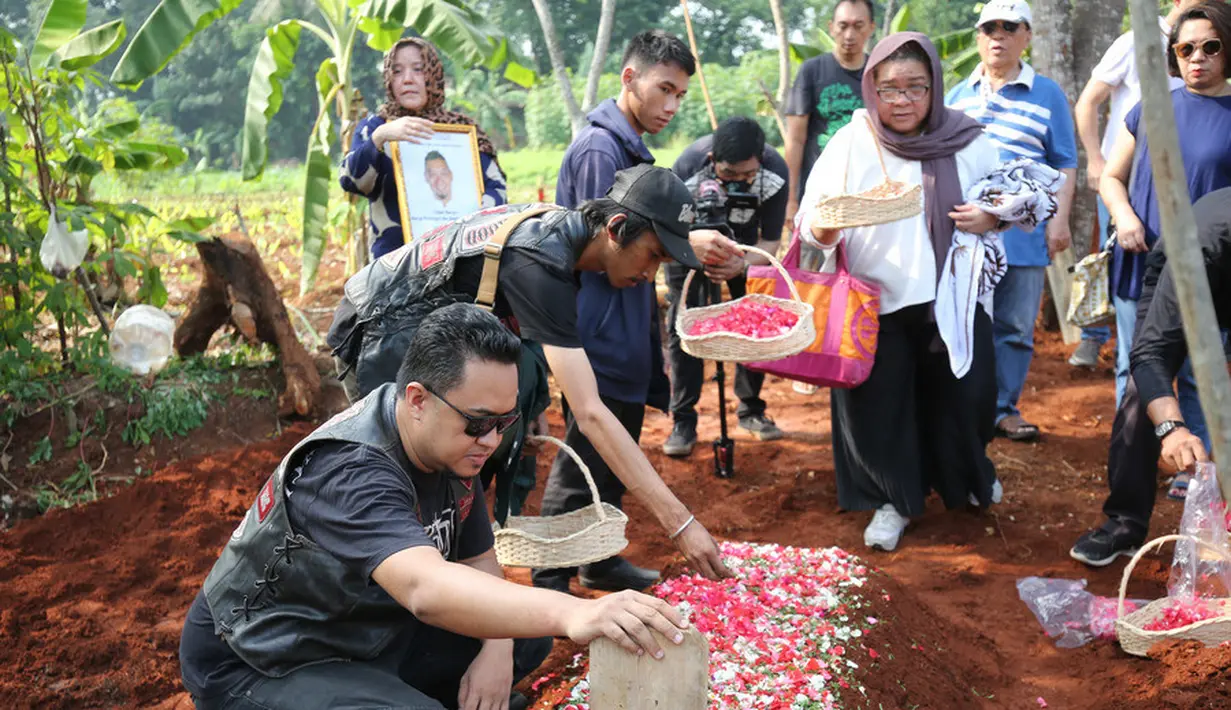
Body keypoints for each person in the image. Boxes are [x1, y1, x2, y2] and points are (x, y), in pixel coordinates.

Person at [179, 304, 695, 710]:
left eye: (505, 422)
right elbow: (426, 589)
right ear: (419, 399)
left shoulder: (448, 447)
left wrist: (496, 649)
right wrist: (579, 610)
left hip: (362, 625)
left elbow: (476, 560)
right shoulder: (351, 470)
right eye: (478, 422)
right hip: (268, 656)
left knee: (522, 642)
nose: (490, 440)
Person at [327, 165, 739, 583]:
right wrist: (681, 524)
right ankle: (391, 595)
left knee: (457, 473)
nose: (650, 275)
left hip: (429, 330)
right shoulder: (542, 256)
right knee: (410, 473)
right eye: (653, 254)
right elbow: (590, 413)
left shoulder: (565, 238)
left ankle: (447, 590)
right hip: (379, 329)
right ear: (616, 228)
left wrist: (530, 401)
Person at [541, 30, 738, 594]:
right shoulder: (601, 150)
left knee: (615, 446)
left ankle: (599, 559)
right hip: (595, 326)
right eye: (664, 90)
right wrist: (688, 246)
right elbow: (614, 244)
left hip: (622, 322)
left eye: (681, 95)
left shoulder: (627, 146)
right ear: (630, 79)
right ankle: (550, 577)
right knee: (588, 451)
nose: (672, 107)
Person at [796, 33, 1004, 552]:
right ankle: (893, 501)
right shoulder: (853, 141)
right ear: (871, 89)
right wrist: (823, 228)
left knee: (966, 400)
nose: (903, 101)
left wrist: (990, 216)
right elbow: (811, 220)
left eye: (916, 88)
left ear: (935, 88)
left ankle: (967, 478)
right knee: (881, 408)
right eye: (889, 89)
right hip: (875, 302)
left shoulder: (970, 139)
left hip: (955, 300)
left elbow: (1009, 199)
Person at [1097, 0, 1231, 500]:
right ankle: (1133, 480)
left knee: (1199, 372)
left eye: (1211, 46)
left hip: (1205, 274)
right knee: (1137, 374)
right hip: (1141, 259)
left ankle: (1192, 472)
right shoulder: (1152, 106)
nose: (1198, 57)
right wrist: (1125, 217)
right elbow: (1112, 176)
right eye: (1187, 48)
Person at [1070, 187, 1231, 567]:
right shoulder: (1200, 246)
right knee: (1141, 393)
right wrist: (1172, 429)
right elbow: (1152, 353)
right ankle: (1125, 521)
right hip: (1188, 273)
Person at [946, 0, 1078, 442]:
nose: (997, 36)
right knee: (963, 319)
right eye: (989, 28)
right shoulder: (956, 97)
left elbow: (1064, 163)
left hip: (1023, 232)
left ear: (1027, 36)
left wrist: (1058, 222)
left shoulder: (1048, 94)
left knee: (1017, 327)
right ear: (978, 38)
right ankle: (965, 407)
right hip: (967, 231)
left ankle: (1003, 409)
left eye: (1009, 27)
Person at [1067, 0, 1194, 370]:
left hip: (1174, 181)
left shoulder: (1206, 44)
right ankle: (1096, 338)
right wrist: (1096, 159)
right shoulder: (1137, 41)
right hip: (1123, 177)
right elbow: (1088, 102)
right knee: (1120, 259)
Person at [662, 116, 790, 456]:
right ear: (711, 160)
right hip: (689, 248)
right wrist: (696, 255)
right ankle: (683, 420)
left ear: (760, 161)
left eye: (747, 176)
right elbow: (668, 233)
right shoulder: (688, 166)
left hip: (748, 251)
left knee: (754, 323)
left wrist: (741, 264)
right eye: (728, 174)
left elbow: (772, 241)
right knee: (684, 326)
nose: (738, 182)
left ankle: (751, 409)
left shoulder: (775, 172)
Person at [340, 37, 508, 258]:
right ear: (389, 79)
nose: (407, 79)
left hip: (459, 261)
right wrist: (380, 138)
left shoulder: (462, 131)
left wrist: (468, 219)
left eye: (418, 69)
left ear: (434, 76)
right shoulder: (375, 127)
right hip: (393, 265)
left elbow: (498, 193)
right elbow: (350, 181)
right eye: (397, 71)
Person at [784, 0, 876, 226]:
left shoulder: (878, 72)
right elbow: (795, 140)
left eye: (858, 26)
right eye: (843, 26)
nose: (849, 34)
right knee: (809, 260)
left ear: (871, 28)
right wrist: (790, 199)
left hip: (867, 194)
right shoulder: (812, 71)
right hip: (819, 194)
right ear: (831, 27)